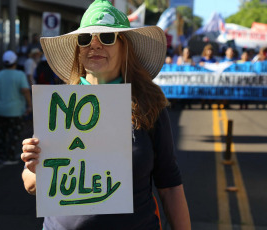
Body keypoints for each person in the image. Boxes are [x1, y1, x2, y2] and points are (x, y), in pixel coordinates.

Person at [20, 1, 191, 230]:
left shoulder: (148, 104)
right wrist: (33, 167)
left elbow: (169, 184)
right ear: (78, 49)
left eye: (107, 38)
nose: (95, 45)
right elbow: (32, 184)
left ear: (125, 47)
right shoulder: (60, 107)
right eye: (85, 39)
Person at [0, 50, 32, 164]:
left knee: (0, 134)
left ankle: (1, 156)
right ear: (15, 62)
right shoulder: (20, 75)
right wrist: (30, 105)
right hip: (16, 110)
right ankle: (11, 155)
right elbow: (25, 91)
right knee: (14, 134)